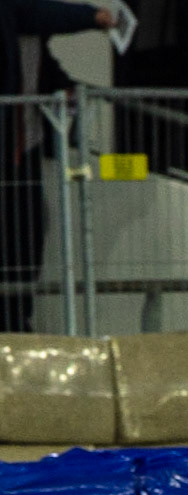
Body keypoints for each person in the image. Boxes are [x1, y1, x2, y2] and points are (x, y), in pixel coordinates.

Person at [1, 0, 113, 332]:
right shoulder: (16, 16)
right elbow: (34, 12)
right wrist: (92, 17)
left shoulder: (35, 36)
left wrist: (66, 90)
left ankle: (17, 320)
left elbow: (48, 72)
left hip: (24, 154)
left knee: (28, 235)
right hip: (8, 153)